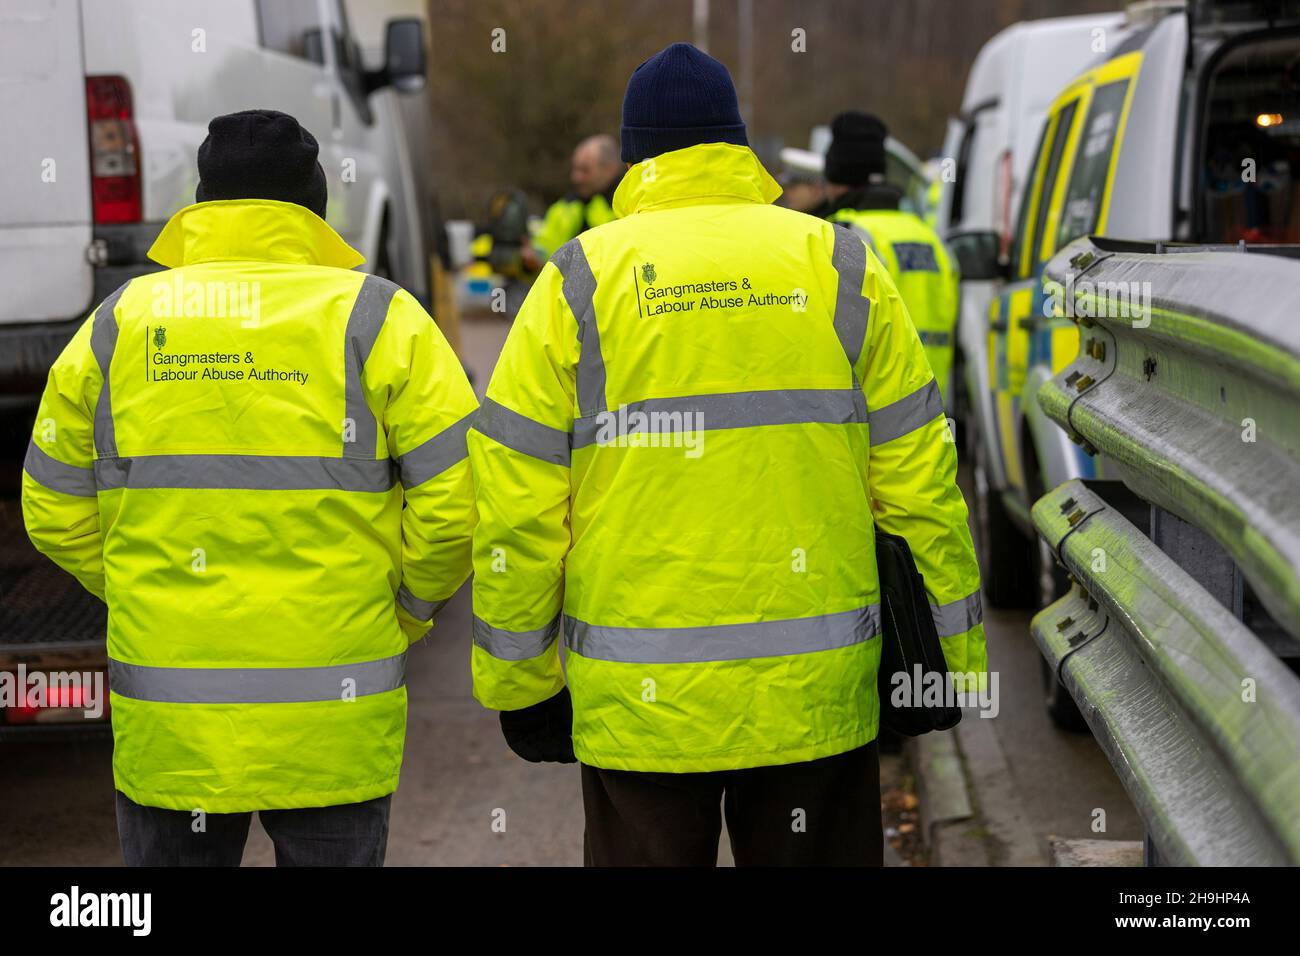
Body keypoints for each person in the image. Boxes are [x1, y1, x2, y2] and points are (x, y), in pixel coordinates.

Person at [467, 43, 986, 866]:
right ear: (737, 144)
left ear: (634, 157)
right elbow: (921, 478)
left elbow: (516, 504)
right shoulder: (839, 264)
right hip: (816, 696)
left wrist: (521, 683)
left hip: (642, 705)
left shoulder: (576, 282)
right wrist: (948, 661)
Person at [21, 109, 477, 866]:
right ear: (314, 209)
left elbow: (51, 504)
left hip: (174, 728)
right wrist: (407, 605)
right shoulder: (378, 318)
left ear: (202, 207)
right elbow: (459, 502)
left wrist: (143, 592)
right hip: (334, 717)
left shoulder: (117, 325)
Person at [818, 111, 961, 406]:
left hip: (873, 413)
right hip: (932, 411)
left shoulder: (844, 234)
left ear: (835, 177)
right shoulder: (930, 238)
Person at [522, 134, 621, 270]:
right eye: (575, 169)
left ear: (610, 169)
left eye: (585, 170)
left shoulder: (626, 206)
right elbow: (545, 247)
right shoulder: (563, 208)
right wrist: (532, 256)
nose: (576, 177)